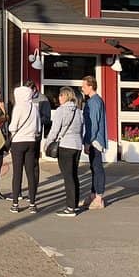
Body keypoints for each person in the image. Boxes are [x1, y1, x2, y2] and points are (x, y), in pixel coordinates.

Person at [45, 86, 84, 217]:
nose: (59, 98)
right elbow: (82, 128)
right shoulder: (79, 111)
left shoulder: (61, 111)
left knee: (67, 177)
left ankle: (70, 208)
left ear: (65, 96)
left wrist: (48, 143)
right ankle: (75, 204)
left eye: (61, 95)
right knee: (74, 175)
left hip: (66, 145)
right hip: (77, 145)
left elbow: (55, 129)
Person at [7, 85, 41, 213]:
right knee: (30, 173)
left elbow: (12, 127)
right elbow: (38, 127)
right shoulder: (34, 107)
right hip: (31, 141)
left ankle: (15, 203)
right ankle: (32, 203)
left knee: (17, 173)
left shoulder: (18, 107)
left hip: (18, 142)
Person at [81, 76, 107, 210]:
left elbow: (94, 124)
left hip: (95, 140)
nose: (82, 88)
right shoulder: (92, 101)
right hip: (94, 139)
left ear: (91, 86)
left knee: (97, 168)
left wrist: (87, 141)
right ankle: (93, 195)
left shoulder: (95, 102)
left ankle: (99, 197)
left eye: (84, 86)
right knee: (93, 168)